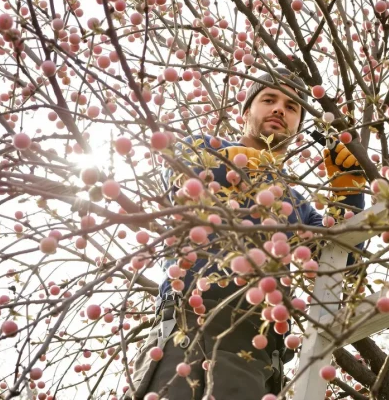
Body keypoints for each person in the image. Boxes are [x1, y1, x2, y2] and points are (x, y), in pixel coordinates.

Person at [126, 68, 368, 400]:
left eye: (292, 106)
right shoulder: (202, 148)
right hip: (183, 332)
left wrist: (349, 193)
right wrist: (263, 167)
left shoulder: (296, 208)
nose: (280, 109)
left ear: (298, 127)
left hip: (254, 347)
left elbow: (344, 261)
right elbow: (191, 181)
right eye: (269, 99)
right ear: (245, 113)